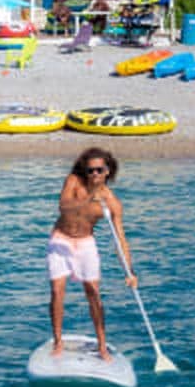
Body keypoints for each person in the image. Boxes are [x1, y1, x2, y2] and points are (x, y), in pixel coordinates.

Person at [47, 147, 137, 361]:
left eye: (99, 170)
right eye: (90, 170)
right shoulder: (73, 182)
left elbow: (120, 240)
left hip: (86, 243)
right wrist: (89, 199)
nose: (94, 174)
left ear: (107, 171)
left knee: (93, 293)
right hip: (61, 239)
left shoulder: (112, 203)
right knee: (58, 291)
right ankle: (58, 341)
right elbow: (64, 207)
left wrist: (129, 271)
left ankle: (102, 346)